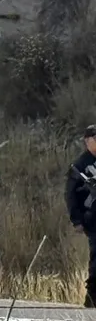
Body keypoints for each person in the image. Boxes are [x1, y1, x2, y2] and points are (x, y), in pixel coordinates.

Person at [65, 124, 96, 308]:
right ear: (87, 141)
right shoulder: (80, 166)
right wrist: (76, 220)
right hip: (92, 218)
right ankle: (92, 299)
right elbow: (70, 194)